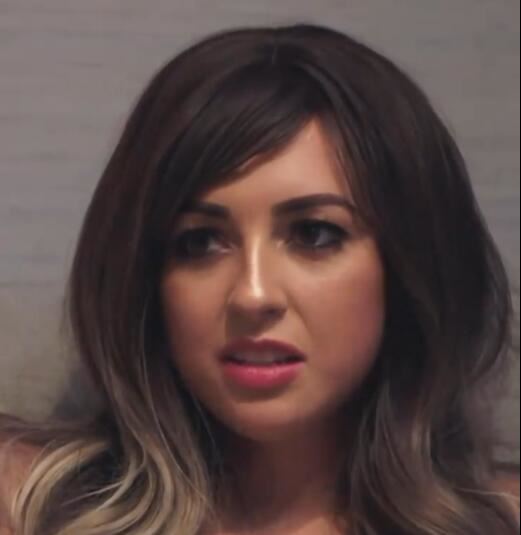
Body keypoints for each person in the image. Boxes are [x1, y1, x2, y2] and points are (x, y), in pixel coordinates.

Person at [0, 23, 519, 535]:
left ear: (410, 266)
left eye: (314, 234)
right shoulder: (27, 504)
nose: (253, 295)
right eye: (200, 242)